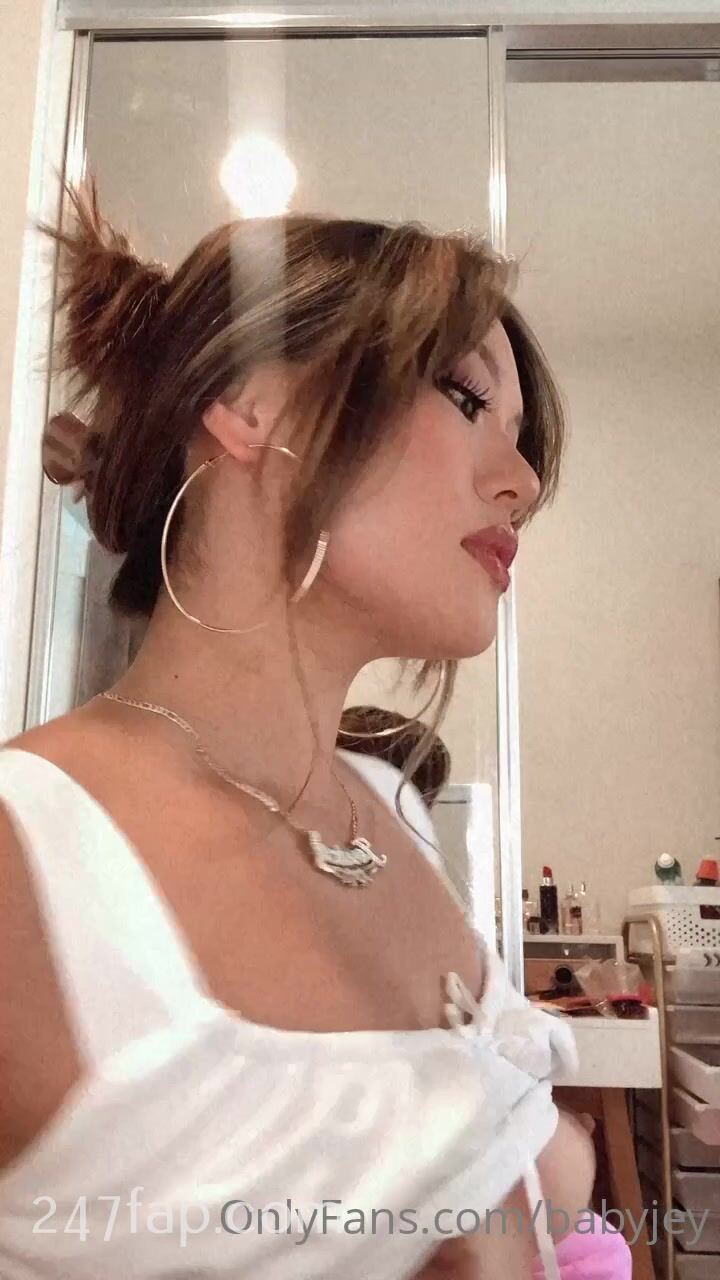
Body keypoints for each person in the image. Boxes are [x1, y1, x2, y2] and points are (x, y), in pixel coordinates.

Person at [0, 185, 628, 1278]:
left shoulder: (390, 810)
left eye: (522, 441)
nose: (522, 483)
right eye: (465, 396)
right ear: (252, 402)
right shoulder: (27, 854)